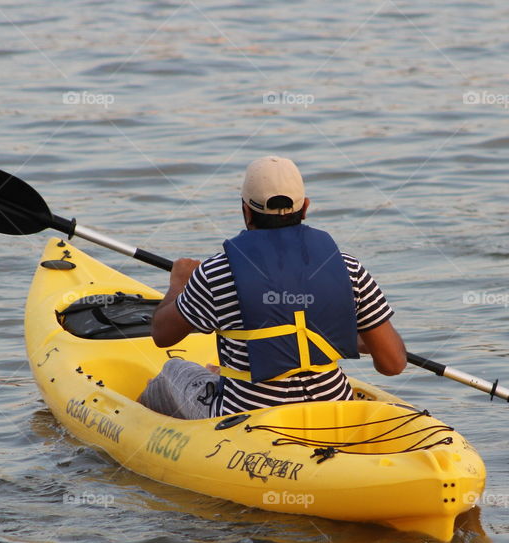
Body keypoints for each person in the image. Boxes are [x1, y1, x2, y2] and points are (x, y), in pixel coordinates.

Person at [138, 156, 407, 419]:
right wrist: (348, 337)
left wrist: (178, 284)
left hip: (249, 415)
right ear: (305, 208)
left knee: (173, 370)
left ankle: (144, 436)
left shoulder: (216, 272)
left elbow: (162, 335)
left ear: (245, 211)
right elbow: (393, 364)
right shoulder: (349, 268)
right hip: (332, 409)